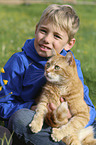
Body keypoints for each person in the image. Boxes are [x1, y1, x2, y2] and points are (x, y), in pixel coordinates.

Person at [0, 4, 96, 145]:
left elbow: (89, 108)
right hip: (36, 120)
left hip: (67, 125)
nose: (47, 39)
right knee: (20, 119)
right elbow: (2, 103)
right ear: (36, 29)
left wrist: (72, 115)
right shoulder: (20, 61)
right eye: (43, 31)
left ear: (69, 44)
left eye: (56, 36)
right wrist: (32, 107)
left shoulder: (72, 65)